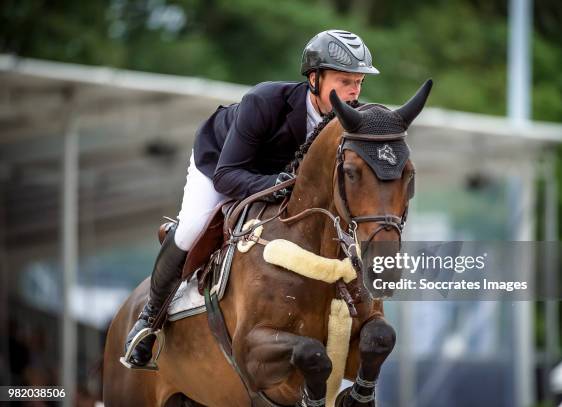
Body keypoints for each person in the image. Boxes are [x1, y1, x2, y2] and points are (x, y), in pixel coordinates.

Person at [123, 29, 380, 367]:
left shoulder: (351, 121)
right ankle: (148, 320)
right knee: (192, 227)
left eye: (359, 82)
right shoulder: (265, 101)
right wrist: (278, 182)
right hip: (222, 163)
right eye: (345, 80)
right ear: (314, 78)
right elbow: (227, 175)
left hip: (282, 181)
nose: (354, 91)